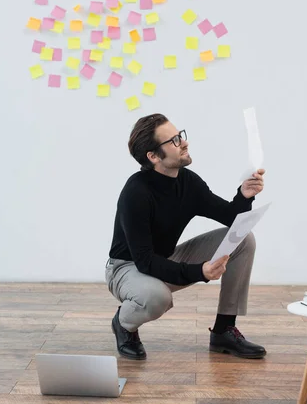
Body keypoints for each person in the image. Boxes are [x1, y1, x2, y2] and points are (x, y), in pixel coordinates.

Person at [105, 113, 266, 361]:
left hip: (166, 257)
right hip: (127, 268)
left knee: (244, 239)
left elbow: (231, 218)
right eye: (174, 141)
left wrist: (244, 196)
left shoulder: (187, 182)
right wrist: (200, 272)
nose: (184, 143)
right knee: (156, 297)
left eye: (180, 135)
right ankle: (124, 324)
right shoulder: (136, 192)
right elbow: (145, 261)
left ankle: (224, 330)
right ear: (154, 156)